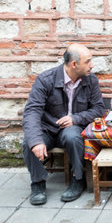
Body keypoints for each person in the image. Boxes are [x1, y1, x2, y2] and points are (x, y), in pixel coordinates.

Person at [22, 43, 105, 205]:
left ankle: (78, 179)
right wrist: (36, 141)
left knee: (73, 136)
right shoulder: (46, 79)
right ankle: (38, 183)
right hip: (48, 129)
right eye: (88, 61)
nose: (92, 65)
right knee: (29, 142)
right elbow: (32, 111)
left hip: (72, 129)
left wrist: (75, 118)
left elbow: (98, 109)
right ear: (74, 64)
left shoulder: (91, 80)